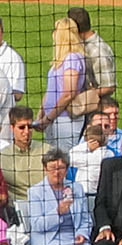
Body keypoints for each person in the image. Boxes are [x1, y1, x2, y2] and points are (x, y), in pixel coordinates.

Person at [35, 16, 89, 151]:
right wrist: (41, 113)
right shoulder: (61, 61)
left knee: (64, 158)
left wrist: (48, 118)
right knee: (53, 159)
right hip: (54, 118)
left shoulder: (72, 58)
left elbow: (68, 94)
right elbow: (51, 90)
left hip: (66, 120)